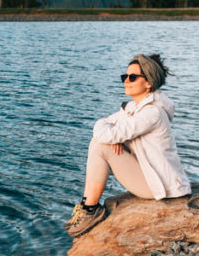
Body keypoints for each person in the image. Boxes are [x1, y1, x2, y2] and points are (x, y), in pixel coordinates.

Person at [65, 53, 191, 238]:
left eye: (133, 77)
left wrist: (113, 135)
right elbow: (106, 124)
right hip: (149, 175)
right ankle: (87, 206)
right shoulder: (133, 108)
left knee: (100, 145)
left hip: (161, 186)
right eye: (125, 77)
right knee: (103, 142)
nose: (126, 81)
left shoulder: (152, 113)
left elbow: (104, 131)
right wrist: (113, 135)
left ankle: (90, 208)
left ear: (148, 83)